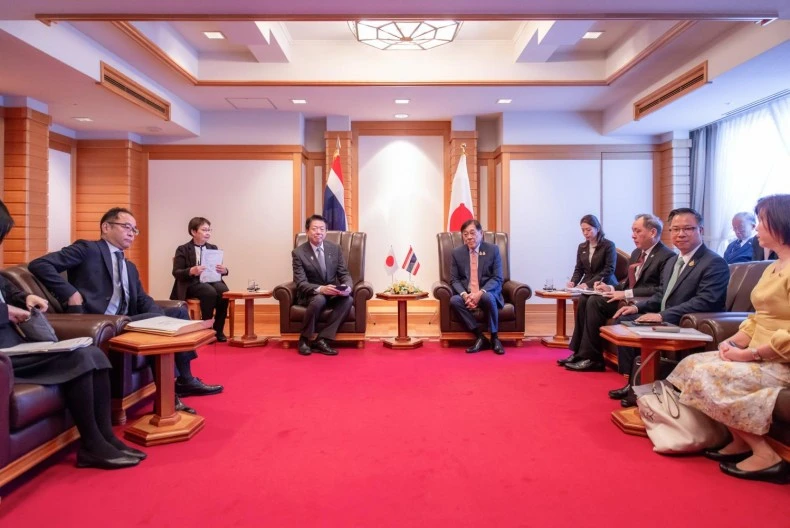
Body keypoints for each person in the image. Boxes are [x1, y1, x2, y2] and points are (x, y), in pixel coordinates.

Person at [28, 207, 223, 414]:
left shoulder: (128, 266)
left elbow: (141, 299)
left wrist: (164, 319)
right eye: (126, 227)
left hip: (124, 318)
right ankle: (169, 397)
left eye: (134, 229)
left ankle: (185, 379)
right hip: (98, 321)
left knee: (178, 313)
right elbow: (40, 264)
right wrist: (71, 293)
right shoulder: (87, 249)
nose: (131, 232)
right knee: (153, 321)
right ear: (106, 227)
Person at [0, 200, 144, 469]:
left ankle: (106, 439)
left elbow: (8, 291)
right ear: (106, 227)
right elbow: (36, 270)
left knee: (94, 355)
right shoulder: (88, 249)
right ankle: (92, 446)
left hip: (16, 344)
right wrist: (6, 312)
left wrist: (25, 298)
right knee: (82, 359)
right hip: (5, 354)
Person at [667, 195, 790, 484]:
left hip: (779, 360)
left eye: (761, 221)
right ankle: (741, 440)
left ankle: (765, 454)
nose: (755, 227)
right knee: (690, 366)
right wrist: (735, 341)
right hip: (758, 351)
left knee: (709, 374)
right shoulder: (773, 266)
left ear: (781, 223)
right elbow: (759, 317)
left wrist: (751, 355)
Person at [609, 207, 730, 404]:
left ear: (701, 230)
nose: (681, 234)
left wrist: (663, 315)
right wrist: (638, 307)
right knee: (625, 321)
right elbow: (661, 294)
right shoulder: (674, 260)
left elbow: (706, 300)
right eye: (675, 229)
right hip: (666, 316)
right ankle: (633, 383)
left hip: (685, 322)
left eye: (688, 228)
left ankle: (642, 387)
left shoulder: (713, 262)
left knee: (632, 326)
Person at [562, 214, 674, 372]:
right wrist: (611, 289)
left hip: (640, 303)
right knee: (588, 298)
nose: (632, 235)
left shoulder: (667, 256)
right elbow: (628, 282)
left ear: (652, 232)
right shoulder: (637, 253)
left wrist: (626, 294)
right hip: (627, 299)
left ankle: (592, 358)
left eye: (637, 231)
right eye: (632, 231)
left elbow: (659, 289)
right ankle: (583, 353)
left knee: (594, 302)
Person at [292, 214, 353, 356]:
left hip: (332, 292)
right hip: (311, 293)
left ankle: (322, 339)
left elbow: (344, 273)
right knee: (319, 299)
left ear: (326, 232)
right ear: (307, 231)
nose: (318, 232)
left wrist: (347, 287)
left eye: (322, 229)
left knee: (348, 299)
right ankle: (304, 339)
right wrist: (321, 289)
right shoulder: (298, 253)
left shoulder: (335, 249)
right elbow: (301, 283)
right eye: (314, 229)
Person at [449, 219, 505, 355]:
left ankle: (494, 337)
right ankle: (480, 336)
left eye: (472, 233)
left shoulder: (493, 250)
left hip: (486, 292)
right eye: (465, 234)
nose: (469, 237)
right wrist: (464, 295)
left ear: (481, 233)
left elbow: (498, 278)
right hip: (468, 294)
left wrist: (479, 293)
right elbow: (454, 280)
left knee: (487, 296)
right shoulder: (457, 253)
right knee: (454, 300)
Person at [171, 217, 229, 342]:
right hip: (191, 283)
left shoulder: (213, 248)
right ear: (193, 232)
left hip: (211, 280)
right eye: (204, 230)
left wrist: (224, 270)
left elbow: (217, 269)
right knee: (209, 293)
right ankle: (206, 330)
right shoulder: (183, 249)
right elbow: (176, 273)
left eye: (209, 230)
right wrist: (191, 271)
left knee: (224, 292)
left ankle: (218, 330)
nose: (208, 233)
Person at [567, 214, 617, 290]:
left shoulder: (609, 245)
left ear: (598, 228)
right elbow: (579, 269)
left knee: (589, 299)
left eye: (588, 229)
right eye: (583, 230)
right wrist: (573, 282)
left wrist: (588, 284)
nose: (585, 233)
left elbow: (609, 270)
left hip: (604, 283)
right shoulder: (581, 247)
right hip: (586, 284)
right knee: (581, 297)